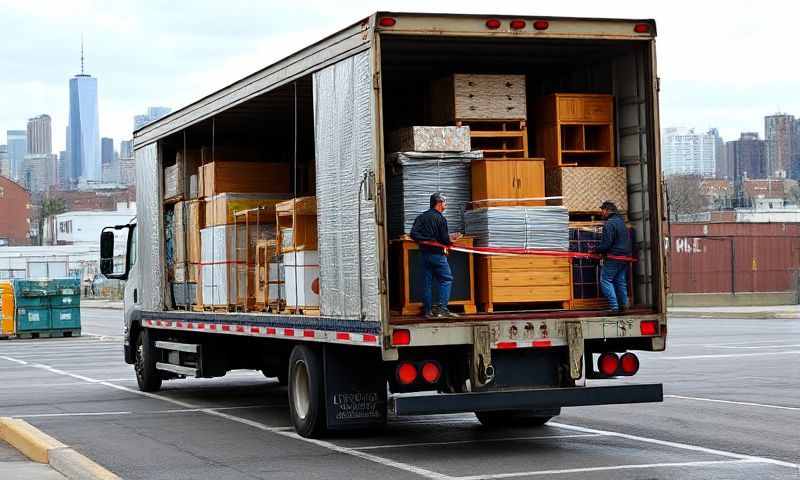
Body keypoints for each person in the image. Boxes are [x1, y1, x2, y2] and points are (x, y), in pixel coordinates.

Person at [410, 192, 462, 319]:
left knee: (427, 283)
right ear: (439, 203)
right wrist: (452, 239)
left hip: (424, 255)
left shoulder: (421, 217)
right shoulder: (441, 219)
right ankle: (442, 309)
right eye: (444, 202)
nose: (446, 205)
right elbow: (444, 240)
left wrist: (428, 239)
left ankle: (428, 312)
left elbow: (413, 234)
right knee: (446, 279)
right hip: (438, 256)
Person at [594, 201, 632, 313]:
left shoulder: (609, 224)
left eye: (602, 210)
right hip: (625, 256)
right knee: (620, 280)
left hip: (614, 256)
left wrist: (596, 250)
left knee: (605, 280)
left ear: (607, 210)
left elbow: (607, 244)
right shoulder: (621, 222)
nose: (601, 212)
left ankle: (614, 307)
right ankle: (624, 305)